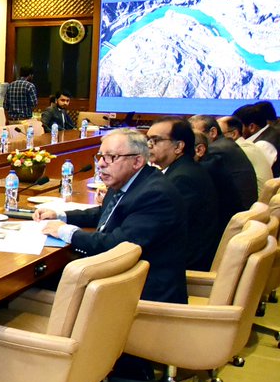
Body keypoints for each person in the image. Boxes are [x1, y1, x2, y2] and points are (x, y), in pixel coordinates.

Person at [34, 128, 187, 304]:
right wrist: (60, 215)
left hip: (143, 295)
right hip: (119, 279)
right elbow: (106, 213)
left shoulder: (155, 195)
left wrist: (66, 232)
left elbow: (116, 245)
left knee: (29, 288)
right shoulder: (132, 181)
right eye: (100, 156)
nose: (100, 164)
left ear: (137, 160)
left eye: (110, 157)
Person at [147, 118, 221, 271]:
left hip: (182, 267)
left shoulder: (182, 179)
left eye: (155, 140)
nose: (149, 146)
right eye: (148, 140)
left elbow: (159, 228)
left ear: (179, 147)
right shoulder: (184, 169)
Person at [189, 115, 258, 209]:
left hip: (237, 213)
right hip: (246, 208)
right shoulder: (226, 144)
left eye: (195, 135)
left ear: (212, 132)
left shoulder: (215, 150)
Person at [219, 115, 271, 194]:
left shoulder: (239, 151)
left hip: (256, 202)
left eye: (219, 134)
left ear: (233, 134)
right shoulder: (249, 145)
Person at [232, 101, 280, 175]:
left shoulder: (263, 145)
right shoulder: (271, 132)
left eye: (238, 126)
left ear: (252, 127)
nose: (234, 131)